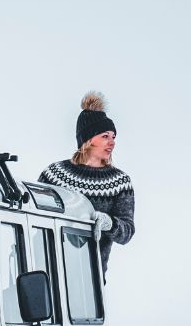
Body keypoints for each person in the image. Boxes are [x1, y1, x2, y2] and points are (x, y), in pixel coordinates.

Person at [39, 91, 135, 278]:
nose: (112, 142)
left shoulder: (119, 182)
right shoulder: (54, 174)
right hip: (49, 274)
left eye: (113, 137)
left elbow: (127, 232)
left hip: (90, 281)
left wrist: (110, 223)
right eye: (105, 136)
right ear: (88, 139)